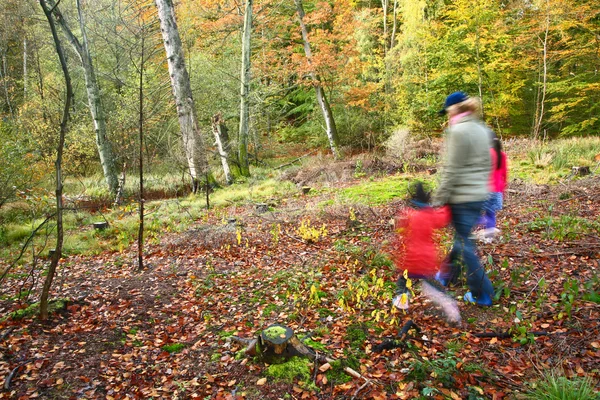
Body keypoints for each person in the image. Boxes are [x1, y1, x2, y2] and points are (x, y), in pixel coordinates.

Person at [433, 91, 495, 307]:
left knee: (464, 243)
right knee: (461, 238)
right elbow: (489, 164)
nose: (447, 114)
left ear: (454, 108)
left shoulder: (458, 131)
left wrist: (438, 198)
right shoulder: (483, 129)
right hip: (479, 195)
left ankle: (482, 293)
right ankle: (446, 275)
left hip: (461, 197)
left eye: (447, 110)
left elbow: (452, 170)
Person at [391, 182, 461, 324]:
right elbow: (443, 218)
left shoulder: (410, 216)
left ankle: (401, 303)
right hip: (428, 258)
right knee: (430, 287)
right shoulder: (431, 215)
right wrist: (448, 205)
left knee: (403, 283)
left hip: (412, 259)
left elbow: (400, 225)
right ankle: (450, 307)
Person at [475, 138, 508, 242]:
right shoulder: (502, 155)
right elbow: (504, 173)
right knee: (491, 213)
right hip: (497, 189)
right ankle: (489, 238)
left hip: (485, 188)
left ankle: (482, 221)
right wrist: (503, 190)